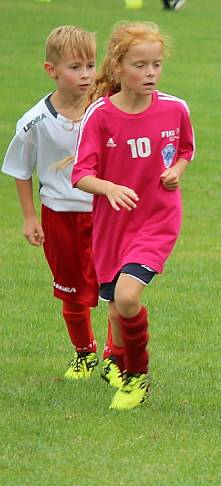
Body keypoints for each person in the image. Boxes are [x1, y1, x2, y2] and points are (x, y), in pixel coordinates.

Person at [73, 21, 195, 410]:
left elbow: (186, 150)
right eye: (141, 66)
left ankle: (138, 377)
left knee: (127, 298)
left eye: (156, 65)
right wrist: (108, 187)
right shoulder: (100, 115)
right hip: (113, 226)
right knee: (115, 307)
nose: (151, 74)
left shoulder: (175, 108)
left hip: (157, 219)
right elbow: (81, 175)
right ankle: (122, 364)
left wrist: (177, 171)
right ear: (119, 66)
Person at [2, 26, 110, 382]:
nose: (85, 75)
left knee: (114, 286)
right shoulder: (34, 122)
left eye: (90, 66)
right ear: (51, 70)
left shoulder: (106, 108)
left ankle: (115, 355)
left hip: (105, 213)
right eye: (75, 67)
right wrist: (29, 217)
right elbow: (20, 169)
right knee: (72, 291)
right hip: (60, 216)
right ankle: (84, 353)